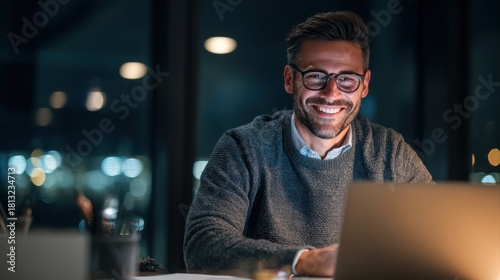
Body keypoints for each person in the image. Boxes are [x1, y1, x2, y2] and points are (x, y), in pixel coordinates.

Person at [183, 10, 432, 277]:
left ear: (365, 85)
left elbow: (439, 236)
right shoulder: (244, 147)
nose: (331, 93)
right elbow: (202, 246)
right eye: (315, 76)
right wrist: (303, 260)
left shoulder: (390, 151)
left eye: (347, 79)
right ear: (290, 79)